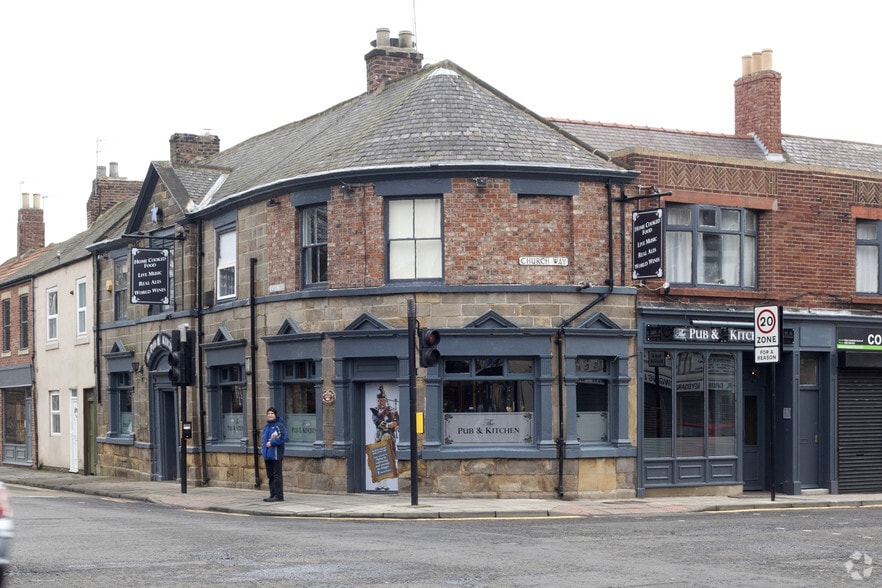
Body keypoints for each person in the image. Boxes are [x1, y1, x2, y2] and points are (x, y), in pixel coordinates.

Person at [261, 407, 288, 502]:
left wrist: (272, 443)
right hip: (267, 455)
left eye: (271, 413)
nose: (270, 415)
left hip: (276, 454)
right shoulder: (266, 427)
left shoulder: (279, 425)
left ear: (275, 414)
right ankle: (272, 494)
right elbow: (263, 440)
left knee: (277, 476)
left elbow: (283, 437)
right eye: (268, 413)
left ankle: (279, 496)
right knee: (270, 475)